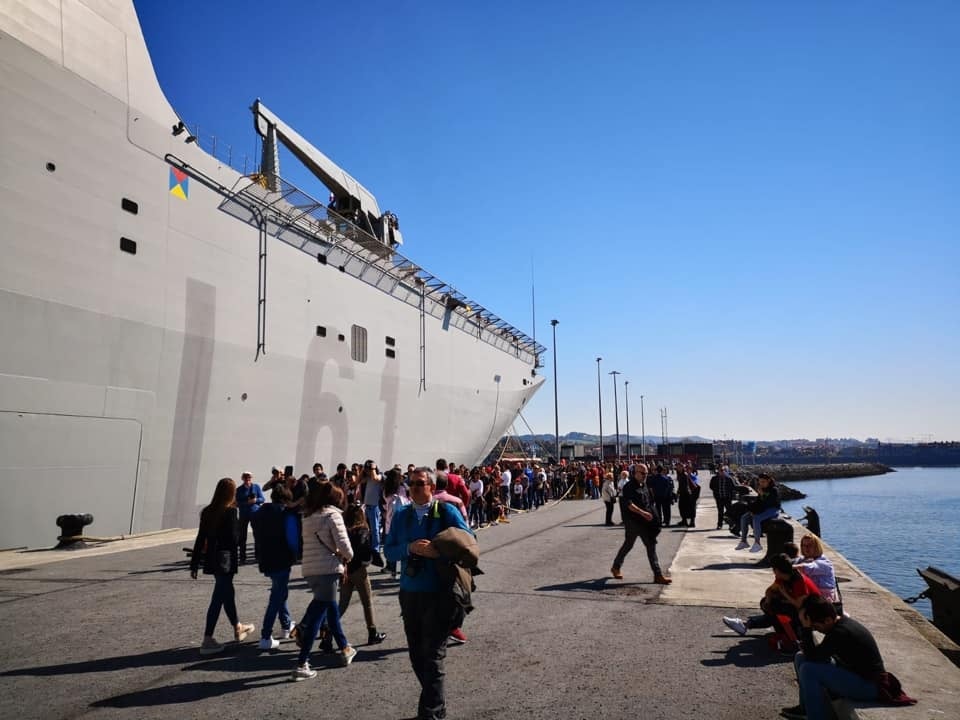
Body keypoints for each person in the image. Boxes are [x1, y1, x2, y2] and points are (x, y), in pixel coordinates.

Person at [384, 467, 472, 720]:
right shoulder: (401, 515)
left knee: (432, 656)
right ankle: (436, 704)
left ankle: (431, 714)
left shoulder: (446, 511)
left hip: (440, 592)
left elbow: (469, 540)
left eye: (420, 483)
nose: (414, 488)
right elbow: (388, 551)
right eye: (410, 483)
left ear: (432, 487)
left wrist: (439, 550)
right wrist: (409, 548)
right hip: (410, 593)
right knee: (416, 656)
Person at [781, 595, 887, 720]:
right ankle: (805, 709)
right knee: (801, 657)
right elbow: (815, 655)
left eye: (815, 627)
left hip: (869, 686)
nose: (816, 630)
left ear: (827, 620)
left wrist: (806, 629)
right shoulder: (838, 625)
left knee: (808, 669)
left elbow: (813, 657)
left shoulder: (840, 632)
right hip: (853, 674)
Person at [291, 483, 356, 680]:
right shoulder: (332, 515)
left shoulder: (308, 516)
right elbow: (344, 545)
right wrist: (348, 557)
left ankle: (344, 647)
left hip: (311, 569)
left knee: (330, 608)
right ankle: (302, 662)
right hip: (328, 568)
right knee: (319, 615)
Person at [189, 477, 255, 656]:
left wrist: (194, 563)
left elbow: (200, 538)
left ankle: (237, 626)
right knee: (219, 597)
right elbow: (234, 539)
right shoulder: (231, 512)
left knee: (226, 593)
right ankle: (207, 639)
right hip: (226, 559)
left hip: (212, 559)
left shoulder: (208, 511)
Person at [722, 553, 820, 651]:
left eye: (773, 569)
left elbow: (800, 605)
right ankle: (746, 625)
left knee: (776, 607)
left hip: (811, 613)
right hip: (797, 608)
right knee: (767, 603)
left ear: (777, 570)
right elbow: (770, 591)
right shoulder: (783, 577)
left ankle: (789, 636)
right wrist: (767, 602)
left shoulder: (798, 580)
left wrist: (785, 594)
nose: (773, 572)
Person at [251, 484, 299, 650]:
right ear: (286, 499)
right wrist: (297, 555)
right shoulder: (287, 514)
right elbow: (292, 540)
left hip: (266, 558)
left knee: (280, 591)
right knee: (277, 595)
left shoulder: (259, 513)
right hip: (282, 559)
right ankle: (266, 635)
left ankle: (286, 625)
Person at [611, 464, 671, 584]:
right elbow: (629, 504)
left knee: (649, 546)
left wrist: (654, 516)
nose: (645, 476)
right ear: (635, 473)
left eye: (646, 473)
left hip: (646, 523)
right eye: (643, 473)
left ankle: (657, 575)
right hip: (634, 522)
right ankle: (616, 567)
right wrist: (643, 513)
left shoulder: (644, 485)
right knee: (630, 545)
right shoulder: (629, 486)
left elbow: (649, 502)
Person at [339, 504, 387, 645]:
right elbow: (364, 547)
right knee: (367, 602)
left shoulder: (344, 530)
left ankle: (328, 630)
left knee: (342, 603)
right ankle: (372, 632)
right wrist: (367, 560)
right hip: (359, 569)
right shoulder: (362, 529)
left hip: (346, 568)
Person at [735, 472, 781, 553]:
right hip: (763, 509)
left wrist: (762, 494)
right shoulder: (762, 489)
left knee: (756, 518)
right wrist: (752, 510)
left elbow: (769, 503)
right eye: (760, 482)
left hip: (773, 509)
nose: (761, 484)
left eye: (763, 482)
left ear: (769, 481)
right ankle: (744, 541)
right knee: (744, 517)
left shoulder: (774, 490)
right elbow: (759, 502)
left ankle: (757, 543)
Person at [794, 534, 840, 605]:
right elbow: (794, 561)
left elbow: (807, 567)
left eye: (809, 545)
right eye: (804, 545)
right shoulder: (803, 559)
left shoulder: (824, 563)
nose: (806, 548)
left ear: (816, 547)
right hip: (810, 596)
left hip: (824, 601)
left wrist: (791, 567)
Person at [235, 471, 264, 564]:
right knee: (242, 536)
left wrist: (255, 500)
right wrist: (246, 503)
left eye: (249, 477)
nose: (248, 479)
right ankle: (242, 557)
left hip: (255, 513)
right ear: (242, 478)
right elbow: (236, 503)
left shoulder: (256, 487)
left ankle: (258, 555)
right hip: (244, 514)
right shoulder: (239, 489)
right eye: (246, 477)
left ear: (251, 478)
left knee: (257, 535)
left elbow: (262, 499)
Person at [361, 460, 385, 566]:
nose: (368, 470)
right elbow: (357, 481)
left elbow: (375, 477)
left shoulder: (380, 476)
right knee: (367, 529)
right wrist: (363, 470)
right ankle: (370, 547)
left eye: (368, 469)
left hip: (375, 506)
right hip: (367, 506)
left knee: (375, 529)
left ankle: (376, 549)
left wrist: (373, 468)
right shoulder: (367, 478)